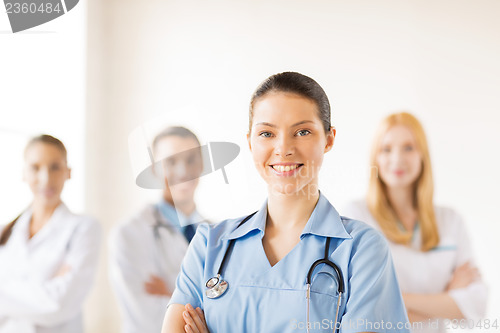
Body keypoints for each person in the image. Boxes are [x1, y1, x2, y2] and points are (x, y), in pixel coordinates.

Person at [161, 72, 410, 333]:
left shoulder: (361, 250)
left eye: (302, 132)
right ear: (250, 142)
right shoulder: (209, 245)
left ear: (329, 139)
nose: (283, 148)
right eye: (267, 133)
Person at [342, 112, 488, 332]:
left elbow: (477, 303)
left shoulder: (450, 220)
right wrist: (446, 298)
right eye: (386, 149)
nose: (397, 158)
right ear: (376, 158)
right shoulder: (357, 215)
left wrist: (395, 301)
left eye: (408, 147)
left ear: (423, 155)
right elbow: (361, 312)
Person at [109, 126, 209, 333]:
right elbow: (146, 317)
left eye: (190, 160)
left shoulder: (218, 235)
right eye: (170, 162)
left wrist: (171, 294)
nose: (183, 171)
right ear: (154, 169)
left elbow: (231, 311)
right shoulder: (129, 234)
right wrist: (204, 309)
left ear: (202, 165)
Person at [0, 134, 101, 333]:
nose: (46, 178)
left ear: (68, 172)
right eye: (35, 167)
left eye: (55, 167)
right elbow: (48, 299)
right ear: (24, 173)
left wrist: (8, 292)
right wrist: (44, 289)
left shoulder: (84, 228)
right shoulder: (6, 232)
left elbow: (59, 303)